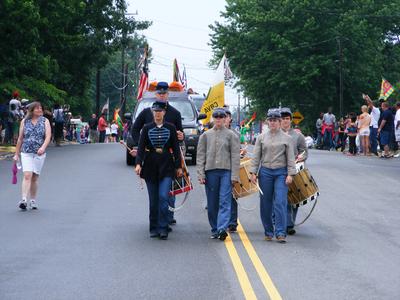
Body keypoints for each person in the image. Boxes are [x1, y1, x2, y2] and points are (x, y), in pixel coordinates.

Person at [131, 81, 184, 225]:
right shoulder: (147, 112)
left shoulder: (175, 113)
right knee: (156, 195)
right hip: (151, 158)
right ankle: (159, 222)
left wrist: (182, 136)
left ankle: (167, 217)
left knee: (167, 191)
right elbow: (135, 130)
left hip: (168, 158)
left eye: (164, 93)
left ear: (168, 94)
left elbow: (180, 135)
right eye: (159, 93)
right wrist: (140, 145)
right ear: (156, 94)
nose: (161, 95)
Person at [250, 108, 296, 243]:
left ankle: (280, 232)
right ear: (267, 122)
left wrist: (290, 174)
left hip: (281, 173)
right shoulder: (261, 137)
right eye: (271, 120)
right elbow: (256, 156)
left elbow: (291, 158)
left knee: (280, 202)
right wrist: (253, 172)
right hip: (265, 172)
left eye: (276, 120)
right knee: (265, 203)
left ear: (280, 122)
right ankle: (268, 231)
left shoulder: (287, 138)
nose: (273, 123)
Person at [197, 108, 240, 241]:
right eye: (216, 117)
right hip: (210, 171)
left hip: (226, 171)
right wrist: (201, 173)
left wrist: (234, 176)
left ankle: (222, 228)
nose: (219, 120)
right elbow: (200, 155)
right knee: (212, 202)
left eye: (221, 117)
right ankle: (214, 229)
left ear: (225, 119)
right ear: (213, 119)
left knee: (225, 200)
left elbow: (235, 156)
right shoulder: (205, 135)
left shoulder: (232, 135)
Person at [13, 102, 51, 210]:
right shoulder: (24, 121)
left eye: (41, 108)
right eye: (37, 108)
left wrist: (43, 147)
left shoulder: (45, 121)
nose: (40, 110)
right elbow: (20, 138)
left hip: (39, 153)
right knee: (27, 175)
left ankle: (33, 200)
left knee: (34, 177)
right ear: (32, 110)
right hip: (26, 152)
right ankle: (24, 199)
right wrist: (16, 154)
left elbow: (48, 136)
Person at [280, 108, 308, 235]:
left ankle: (290, 224)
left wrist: (302, 157)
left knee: (293, 198)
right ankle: (280, 222)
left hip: (293, 170)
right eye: (283, 118)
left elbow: (304, 151)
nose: (285, 121)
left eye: (287, 118)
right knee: (280, 198)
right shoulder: (274, 134)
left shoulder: (298, 136)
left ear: (290, 120)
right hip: (279, 169)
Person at [223, 107, 245, 233]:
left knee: (232, 196)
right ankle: (221, 221)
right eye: (221, 116)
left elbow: (239, 151)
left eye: (226, 116)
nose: (224, 119)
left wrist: (241, 153)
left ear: (230, 119)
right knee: (221, 197)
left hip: (232, 168)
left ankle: (232, 222)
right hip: (220, 167)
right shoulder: (213, 132)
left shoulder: (236, 134)